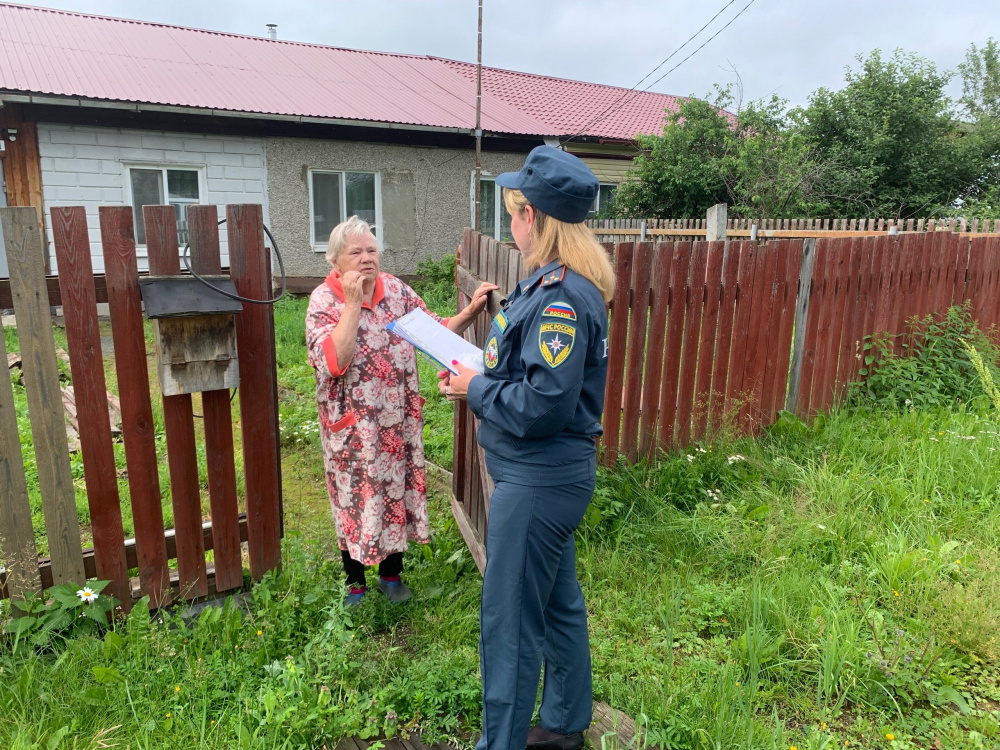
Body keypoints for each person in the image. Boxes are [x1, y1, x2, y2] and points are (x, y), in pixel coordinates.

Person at [439, 146, 615, 750]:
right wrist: (478, 382)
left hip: (538, 482)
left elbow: (543, 406)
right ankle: (565, 724)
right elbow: (532, 380)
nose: (508, 223)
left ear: (533, 219)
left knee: (509, 624)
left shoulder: (562, 298)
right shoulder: (552, 284)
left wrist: (477, 388)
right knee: (558, 604)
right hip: (548, 479)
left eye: (513, 211)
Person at [307, 216, 497, 605]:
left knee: (397, 491)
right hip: (353, 427)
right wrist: (353, 303)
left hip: (397, 420)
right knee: (354, 497)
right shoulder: (324, 301)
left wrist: (471, 312)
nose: (366, 259)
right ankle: (355, 582)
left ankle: (391, 576)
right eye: (355, 252)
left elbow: (434, 332)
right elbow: (333, 362)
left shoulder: (396, 290)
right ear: (335, 261)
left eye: (371, 250)